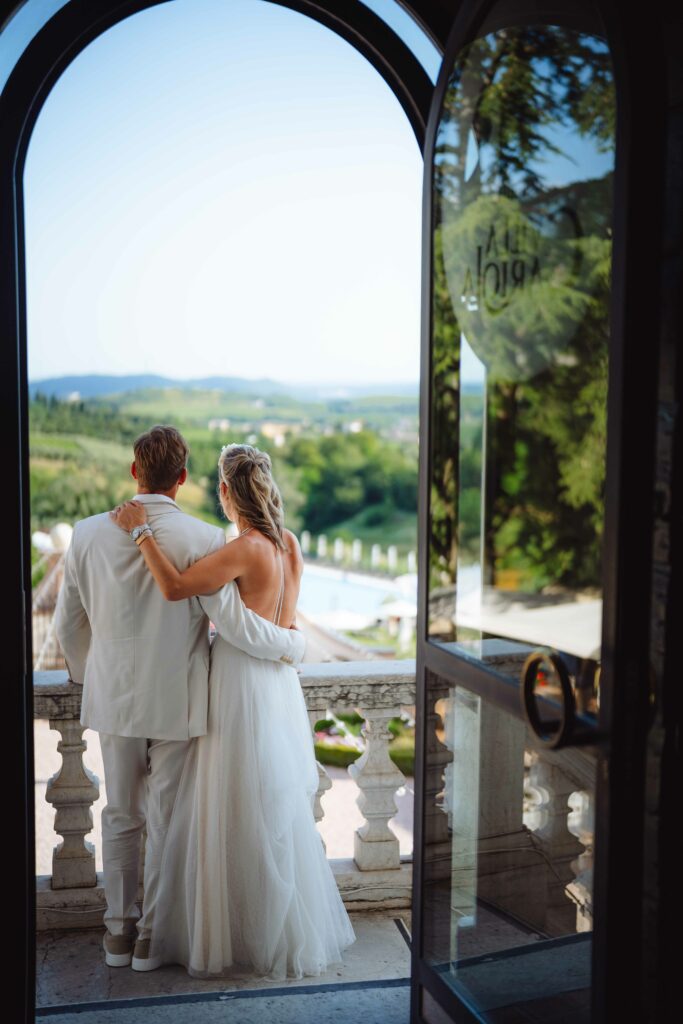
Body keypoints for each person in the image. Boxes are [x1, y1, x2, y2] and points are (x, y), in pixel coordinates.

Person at [54, 426, 306, 973]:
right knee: (167, 816)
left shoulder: (84, 533)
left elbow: (68, 624)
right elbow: (228, 620)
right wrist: (292, 644)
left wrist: (85, 673)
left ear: (132, 470)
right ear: (183, 477)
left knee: (120, 813)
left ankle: (117, 935)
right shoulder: (207, 539)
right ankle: (152, 939)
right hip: (181, 696)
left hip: (115, 696)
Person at [110, 442, 356, 980]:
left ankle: (229, 931)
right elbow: (286, 627)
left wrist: (141, 532)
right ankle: (266, 929)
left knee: (228, 803)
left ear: (226, 490)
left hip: (239, 684)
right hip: (277, 688)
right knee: (267, 807)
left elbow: (175, 587)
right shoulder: (288, 545)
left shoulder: (245, 549)